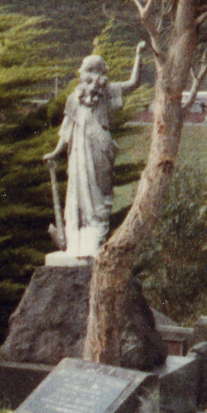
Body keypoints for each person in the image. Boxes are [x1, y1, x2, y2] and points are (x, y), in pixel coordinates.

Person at [43, 43, 145, 257]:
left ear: (101, 75)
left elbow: (134, 83)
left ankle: (95, 240)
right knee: (78, 195)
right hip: (79, 152)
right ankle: (76, 242)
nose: (90, 78)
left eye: (94, 72)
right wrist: (55, 153)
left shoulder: (108, 93)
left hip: (101, 150)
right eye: (87, 73)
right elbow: (66, 130)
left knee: (100, 193)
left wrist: (138, 55)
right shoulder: (74, 99)